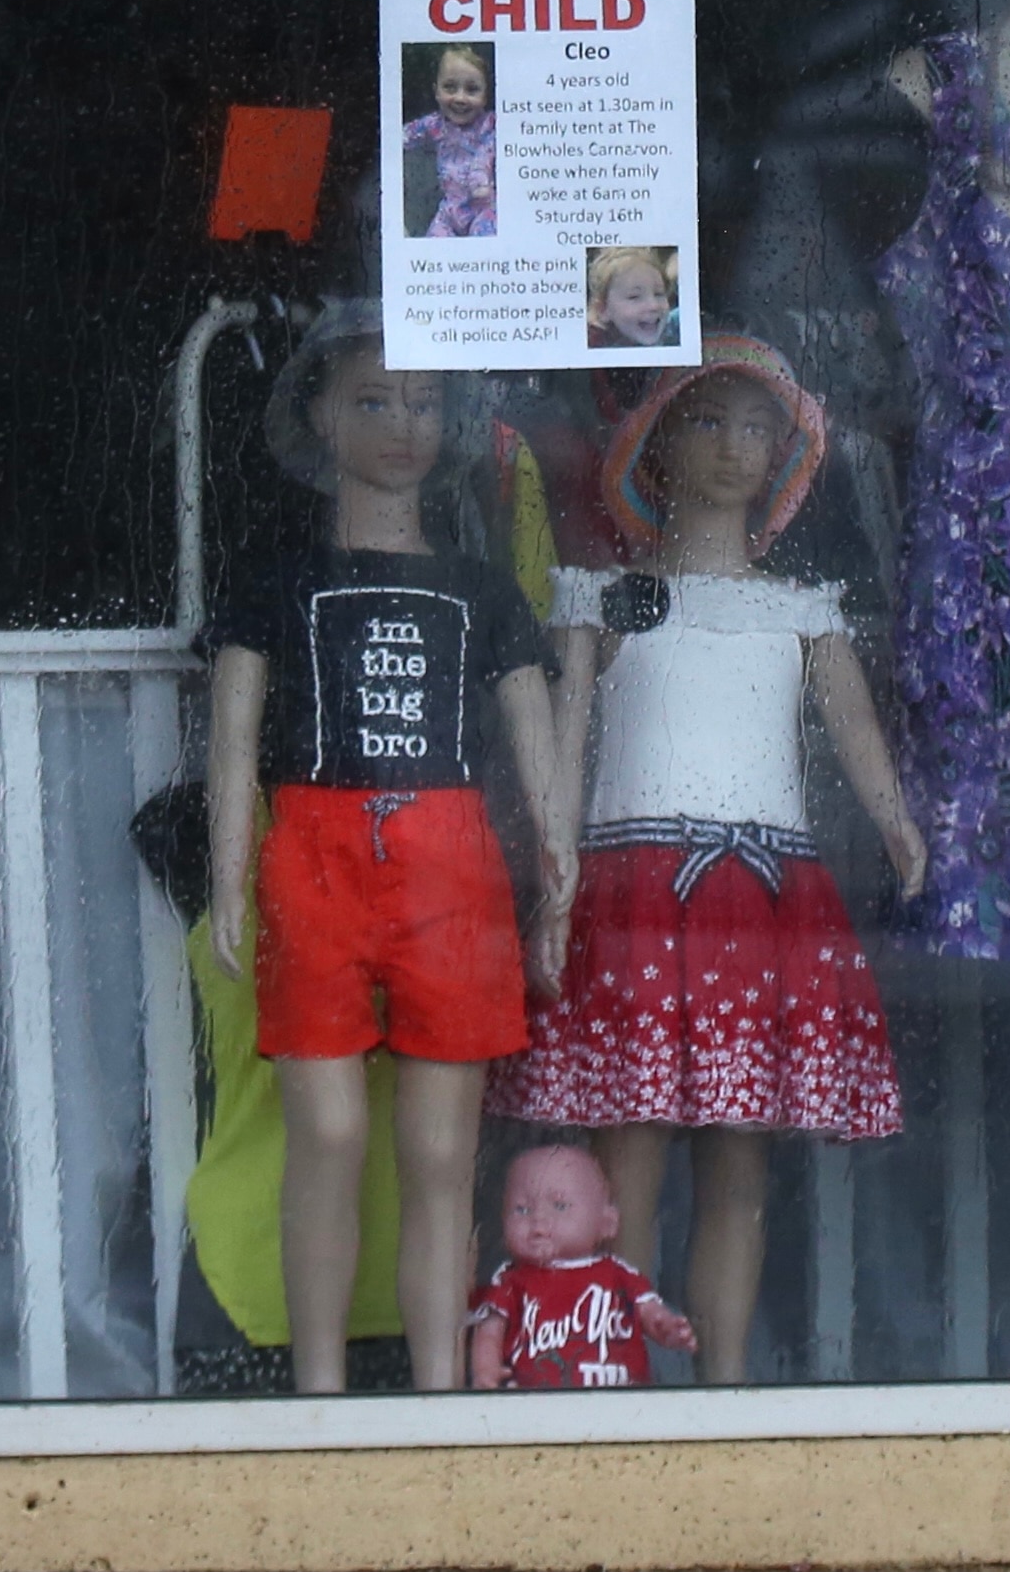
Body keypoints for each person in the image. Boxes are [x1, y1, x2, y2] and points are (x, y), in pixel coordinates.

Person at [493, 334, 924, 1382]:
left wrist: (896, 821)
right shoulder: (598, 596)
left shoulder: (802, 608)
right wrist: (553, 875)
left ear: (785, 452)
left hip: (763, 897)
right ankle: (617, 1376)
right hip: (634, 893)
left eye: (756, 427)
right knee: (624, 1151)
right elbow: (562, 738)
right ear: (655, 441)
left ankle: (723, 1383)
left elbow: (856, 732)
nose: (735, 446)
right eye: (709, 420)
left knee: (741, 1163)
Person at [204, 303, 566, 1391]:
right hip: (311, 848)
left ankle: (438, 1392)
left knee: (444, 1151)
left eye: (420, 399)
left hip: (451, 861)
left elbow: (533, 740)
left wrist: (558, 866)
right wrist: (229, 875)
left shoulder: (484, 588)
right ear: (318, 414)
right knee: (324, 1137)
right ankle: (318, 1395)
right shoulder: (274, 581)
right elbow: (231, 740)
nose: (402, 424)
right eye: (372, 398)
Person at [466, 1144, 694, 1388]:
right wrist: (485, 1372)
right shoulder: (511, 1280)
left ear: (607, 1222)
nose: (538, 1220)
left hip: (621, 1400)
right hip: (533, 1404)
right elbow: (489, 1331)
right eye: (521, 1209)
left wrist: (666, 1328)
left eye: (560, 1206)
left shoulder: (619, 1273)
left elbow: (650, 1313)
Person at [403, 44, 499, 237]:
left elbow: (494, 147)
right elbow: (400, 138)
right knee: (435, 247)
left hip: (484, 207)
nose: (460, 98)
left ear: (485, 95)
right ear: (436, 91)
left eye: (472, 90)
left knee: (485, 243)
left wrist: (480, 178)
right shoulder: (436, 124)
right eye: (450, 87)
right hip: (449, 210)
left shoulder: (491, 123)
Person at [586, 246, 679, 348]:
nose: (654, 306)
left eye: (659, 294)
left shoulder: (675, 330)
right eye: (634, 297)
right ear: (602, 309)